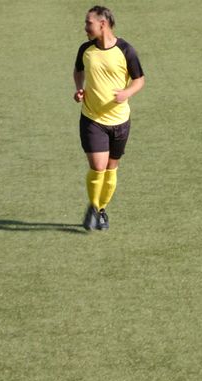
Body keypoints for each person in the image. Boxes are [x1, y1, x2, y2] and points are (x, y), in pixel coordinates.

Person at [73, 5, 145, 231]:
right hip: (93, 119)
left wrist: (127, 93)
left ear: (102, 24)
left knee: (112, 168)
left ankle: (100, 210)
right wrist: (79, 88)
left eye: (89, 23)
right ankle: (93, 207)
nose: (85, 27)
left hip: (120, 121)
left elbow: (139, 80)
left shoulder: (126, 50)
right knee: (98, 166)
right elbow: (78, 70)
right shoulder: (86, 49)